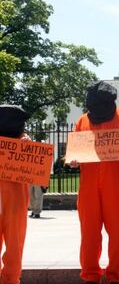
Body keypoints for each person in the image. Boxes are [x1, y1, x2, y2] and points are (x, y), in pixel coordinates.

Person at [69, 81, 119, 284]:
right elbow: (75, 152)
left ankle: (115, 277)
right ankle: (91, 276)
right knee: (89, 234)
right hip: (89, 187)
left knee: (118, 235)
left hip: (116, 186)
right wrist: (73, 161)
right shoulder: (82, 121)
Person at [0, 104, 32, 284]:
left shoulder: (25, 141)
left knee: (15, 245)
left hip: (15, 200)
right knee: (15, 243)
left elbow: (39, 168)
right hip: (12, 199)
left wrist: (25, 146)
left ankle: (11, 280)